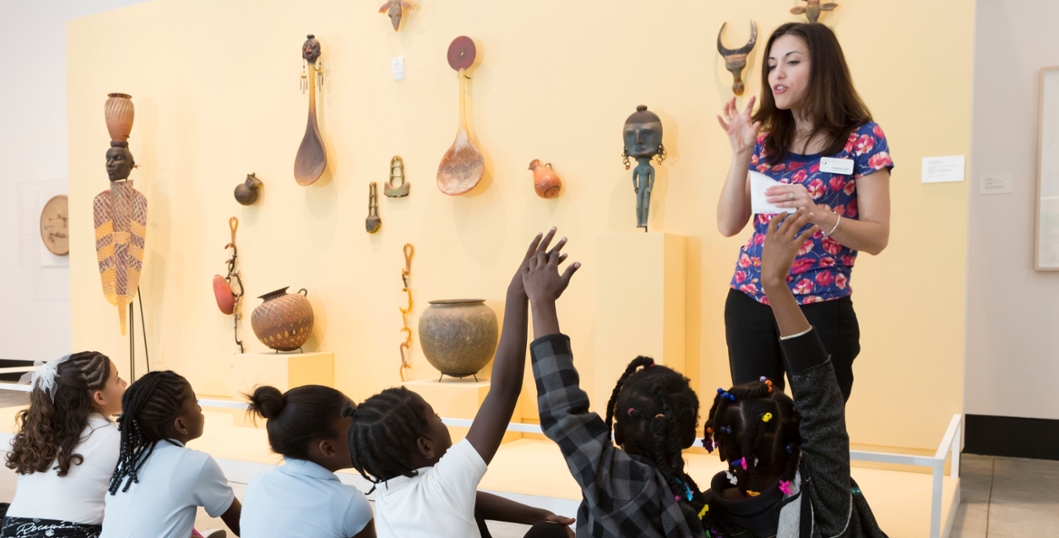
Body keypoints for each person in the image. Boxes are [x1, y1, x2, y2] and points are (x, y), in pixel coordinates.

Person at [345, 229, 576, 538]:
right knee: (552, 535)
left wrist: (538, 513)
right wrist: (516, 293)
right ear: (425, 446)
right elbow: (504, 391)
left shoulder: (389, 491)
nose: (441, 420)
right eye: (434, 417)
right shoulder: (446, 483)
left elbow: (469, 498)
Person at [715, 22, 893, 402]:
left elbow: (878, 237)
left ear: (823, 68)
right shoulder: (766, 139)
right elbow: (728, 224)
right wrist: (741, 153)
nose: (777, 74)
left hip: (821, 304)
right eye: (771, 64)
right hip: (751, 296)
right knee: (754, 428)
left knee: (819, 430)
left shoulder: (862, 138)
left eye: (791, 62)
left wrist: (819, 215)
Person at [700, 211, 887, 537]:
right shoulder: (829, 509)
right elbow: (821, 410)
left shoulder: (695, 516)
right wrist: (774, 282)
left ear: (720, 444)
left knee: (755, 409)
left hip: (820, 293)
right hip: (758, 293)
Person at [524, 232, 705, 537]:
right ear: (687, 437)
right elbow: (565, 413)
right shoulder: (692, 498)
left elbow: (563, 409)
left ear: (617, 431)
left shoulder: (619, 481)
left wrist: (541, 303)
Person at [102, 371, 242, 538]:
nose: (200, 408)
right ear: (181, 424)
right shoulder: (198, 464)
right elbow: (245, 525)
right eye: (195, 402)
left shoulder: (129, 462)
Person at [0, 352, 126, 538]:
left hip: (13, 531)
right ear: (99, 397)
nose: (124, 383)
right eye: (117, 380)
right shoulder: (115, 436)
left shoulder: (40, 433)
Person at [239, 384, 373, 538]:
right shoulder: (350, 504)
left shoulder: (258, 482)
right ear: (329, 448)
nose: (364, 433)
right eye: (355, 429)